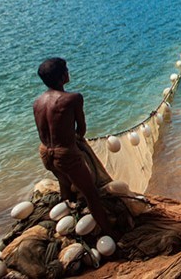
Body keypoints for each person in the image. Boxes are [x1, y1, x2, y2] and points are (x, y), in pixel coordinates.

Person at [33, 58, 114, 236]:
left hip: (46, 153)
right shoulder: (72, 99)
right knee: (91, 194)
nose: (69, 72)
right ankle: (111, 234)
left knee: (65, 184)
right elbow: (81, 129)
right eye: (66, 70)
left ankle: (70, 226)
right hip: (66, 155)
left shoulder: (37, 102)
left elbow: (43, 132)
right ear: (62, 77)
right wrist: (75, 140)